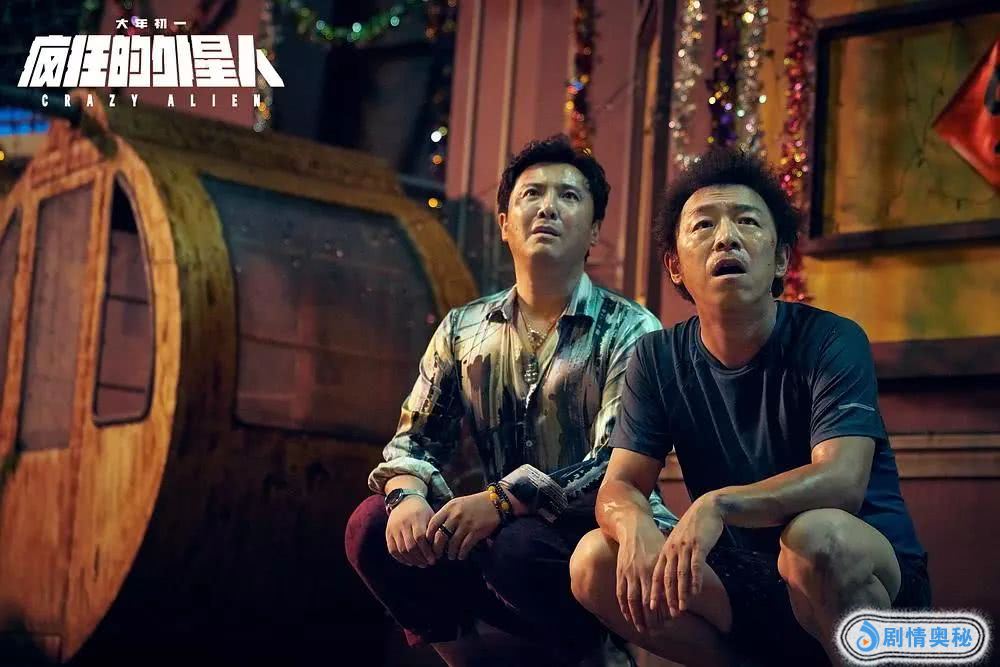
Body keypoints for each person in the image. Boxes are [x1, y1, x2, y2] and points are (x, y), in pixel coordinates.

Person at [569, 147, 930, 666]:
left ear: (780, 259)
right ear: (675, 265)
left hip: (866, 573)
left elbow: (843, 480)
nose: (726, 237)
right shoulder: (656, 358)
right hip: (751, 577)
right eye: (703, 225)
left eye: (747, 221)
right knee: (593, 561)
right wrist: (634, 527)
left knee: (813, 538)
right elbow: (620, 485)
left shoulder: (832, 339)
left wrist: (718, 504)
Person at [344, 135, 673, 666]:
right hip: (500, 541)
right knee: (371, 526)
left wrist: (500, 500)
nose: (547, 207)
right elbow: (413, 443)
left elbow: (615, 465)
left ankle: (597, 655)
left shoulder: (632, 329)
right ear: (504, 223)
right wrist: (407, 495)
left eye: (568, 196)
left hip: (593, 542)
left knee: (519, 547)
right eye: (531, 194)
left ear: (593, 230)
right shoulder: (464, 328)